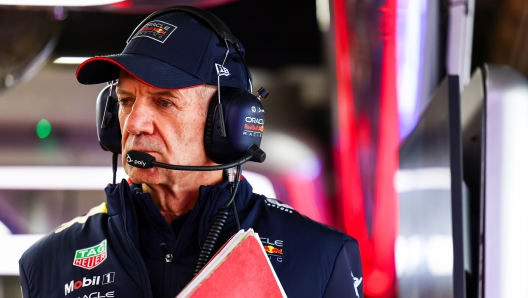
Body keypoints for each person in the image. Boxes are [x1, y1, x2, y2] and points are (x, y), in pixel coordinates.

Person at [19, 6, 363, 298]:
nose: (135, 122)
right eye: (125, 101)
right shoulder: (48, 263)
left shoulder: (321, 258)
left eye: (164, 102)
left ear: (227, 123)